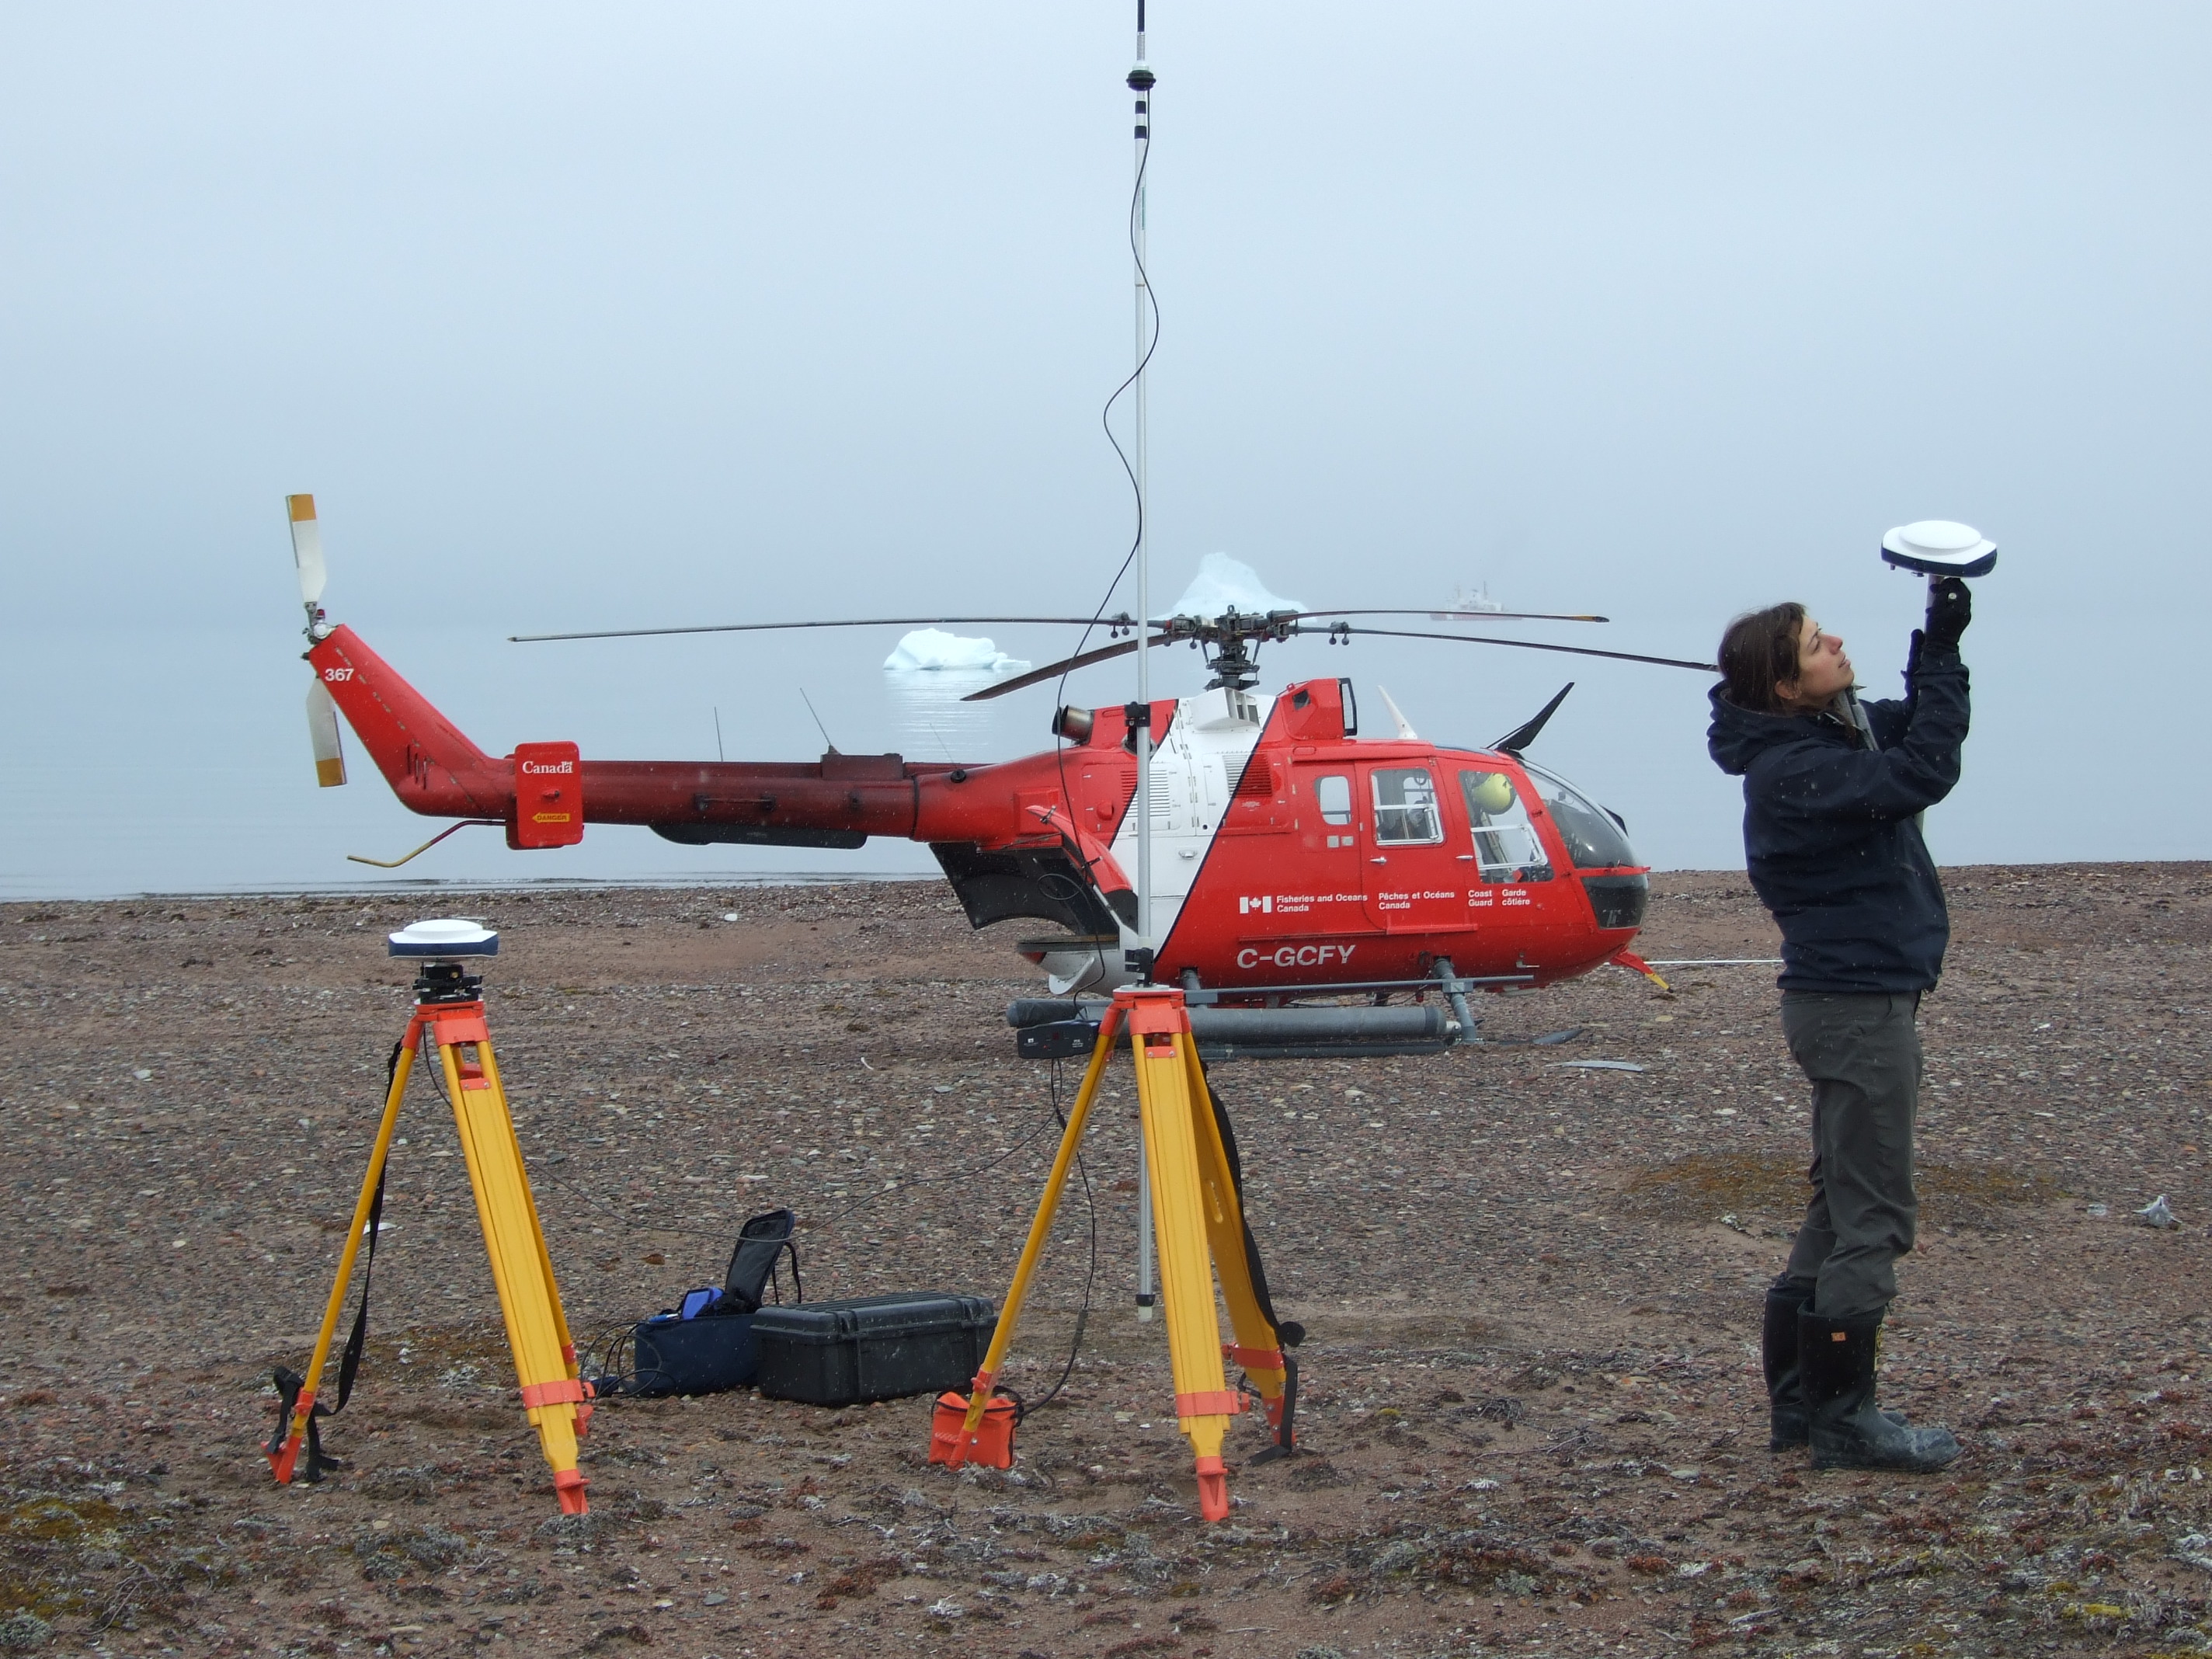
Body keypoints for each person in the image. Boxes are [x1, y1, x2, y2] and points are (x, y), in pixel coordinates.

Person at [1706, 576, 1972, 1473]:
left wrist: (1937, 645)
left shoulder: (1815, 742)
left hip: (1846, 1003)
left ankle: (1799, 1410)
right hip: (1855, 1009)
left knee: (1839, 1202)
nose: (1838, 646)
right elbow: (1923, 770)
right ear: (1785, 687)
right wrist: (1941, 657)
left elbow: (1912, 729)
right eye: (1818, 644)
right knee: (1875, 1216)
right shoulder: (1797, 770)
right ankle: (1844, 1421)